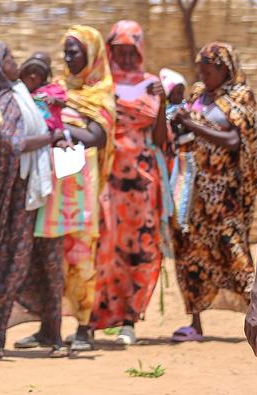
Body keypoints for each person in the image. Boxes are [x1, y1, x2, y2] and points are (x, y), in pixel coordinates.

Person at [0, 40, 66, 358]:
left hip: (37, 191)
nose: (15, 62)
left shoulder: (19, 94)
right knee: (13, 261)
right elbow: (12, 144)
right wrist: (50, 139)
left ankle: (53, 333)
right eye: (9, 57)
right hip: (12, 198)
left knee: (50, 260)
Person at [172, 42, 257, 342]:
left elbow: (237, 141)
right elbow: (186, 127)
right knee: (192, 253)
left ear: (224, 68)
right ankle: (195, 324)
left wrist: (192, 126)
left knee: (235, 253)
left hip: (225, 193)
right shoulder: (199, 95)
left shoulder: (240, 97)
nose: (202, 73)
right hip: (195, 190)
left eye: (208, 68)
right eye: (200, 68)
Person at [32, 26, 115, 352]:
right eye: (65, 50)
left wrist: (57, 129)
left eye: (74, 51)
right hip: (52, 185)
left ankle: (83, 327)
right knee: (50, 256)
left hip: (81, 187)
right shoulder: (57, 89)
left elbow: (97, 136)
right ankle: (47, 327)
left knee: (80, 255)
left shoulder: (102, 93)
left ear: (92, 55)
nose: (68, 57)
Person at [91, 20, 170, 345]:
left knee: (137, 247)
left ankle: (129, 320)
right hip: (105, 177)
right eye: (118, 50)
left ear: (139, 50)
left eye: (130, 50)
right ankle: (92, 317)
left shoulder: (151, 84)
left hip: (141, 181)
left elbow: (161, 138)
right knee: (102, 246)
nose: (124, 57)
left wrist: (163, 103)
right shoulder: (100, 85)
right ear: (110, 50)